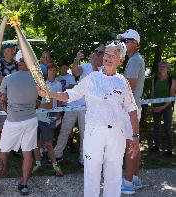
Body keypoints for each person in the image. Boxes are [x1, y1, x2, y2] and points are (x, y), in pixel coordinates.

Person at [38, 42, 140, 197]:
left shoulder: (123, 81)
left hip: (116, 134)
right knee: (92, 171)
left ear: (121, 59)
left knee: (113, 172)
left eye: (113, 55)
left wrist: (135, 137)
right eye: (106, 54)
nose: (108, 58)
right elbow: (70, 95)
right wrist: (49, 94)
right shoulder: (92, 77)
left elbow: (132, 110)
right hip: (94, 132)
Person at [0, 52, 38, 196]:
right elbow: (41, 99)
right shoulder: (37, 79)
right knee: (28, 153)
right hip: (31, 119)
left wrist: (9, 111)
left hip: (13, 120)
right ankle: (24, 184)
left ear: (17, 63)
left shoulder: (8, 78)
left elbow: (2, 100)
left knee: (3, 153)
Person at [54, 46, 106, 167]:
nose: (96, 54)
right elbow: (75, 72)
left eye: (99, 52)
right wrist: (77, 60)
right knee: (65, 129)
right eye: (95, 51)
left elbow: (96, 81)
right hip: (74, 103)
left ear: (104, 55)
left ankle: (83, 160)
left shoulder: (104, 69)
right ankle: (57, 155)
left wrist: (93, 64)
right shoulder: (87, 65)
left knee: (84, 134)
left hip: (88, 107)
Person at [117, 29, 145, 195]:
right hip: (134, 108)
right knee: (134, 144)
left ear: (134, 43)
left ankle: (127, 183)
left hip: (130, 109)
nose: (123, 43)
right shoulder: (134, 59)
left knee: (130, 145)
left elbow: (130, 86)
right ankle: (134, 178)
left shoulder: (134, 60)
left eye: (126, 40)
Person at [32, 64, 63, 176]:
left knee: (48, 144)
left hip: (44, 120)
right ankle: (38, 164)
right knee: (35, 144)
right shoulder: (34, 86)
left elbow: (49, 105)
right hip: (34, 120)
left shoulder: (45, 88)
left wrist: (38, 105)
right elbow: (32, 103)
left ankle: (55, 166)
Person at [0, 42, 18, 144]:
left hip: (16, 98)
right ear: (4, 52)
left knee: (15, 123)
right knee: (1, 125)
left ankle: (13, 147)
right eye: (11, 49)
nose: (13, 51)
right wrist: (13, 82)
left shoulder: (17, 64)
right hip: (3, 97)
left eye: (13, 49)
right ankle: (1, 147)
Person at [151, 61, 176, 157]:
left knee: (167, 128)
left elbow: (171, 97)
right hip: (156, 107)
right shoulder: (155, 79)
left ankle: (169, 149)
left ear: (168, 68)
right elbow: (153, 93)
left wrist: (163, 106)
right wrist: (152, 105)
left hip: (167, 107)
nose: (161, 68)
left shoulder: (172, 80)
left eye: (164, 66)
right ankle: (156, 146)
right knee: (156, 127)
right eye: (160, 66)